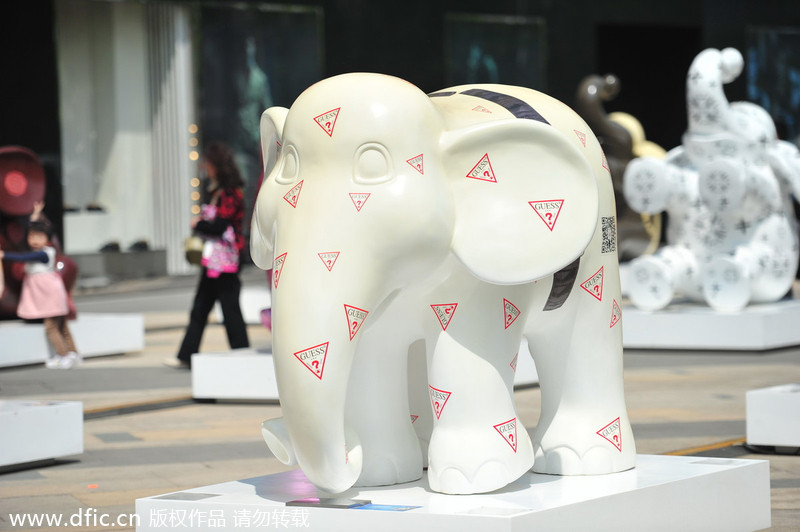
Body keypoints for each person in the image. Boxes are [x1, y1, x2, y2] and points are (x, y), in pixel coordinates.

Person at [167, 142, 250, 368]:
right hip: (214, 260)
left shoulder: (231, 194)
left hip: (226, 262)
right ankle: (187, 354)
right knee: (201, 307)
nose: (205, 167)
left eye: (208, 164)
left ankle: (241, 352)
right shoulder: (217, 191)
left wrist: (199, 224)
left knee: (228, 307)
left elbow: (220, 225)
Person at [0, 211, 79, 369]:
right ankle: (73, 353)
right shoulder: (40, 252)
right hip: (52, 295)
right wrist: (34, 217)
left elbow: (24, 258)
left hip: (49, 296)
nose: (35, 240)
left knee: (51, 326)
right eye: (32, 237)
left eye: (39, 237)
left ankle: (63, 355)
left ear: (48, 240)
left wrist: (5, 254)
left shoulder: (44, 254)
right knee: (62, 326)